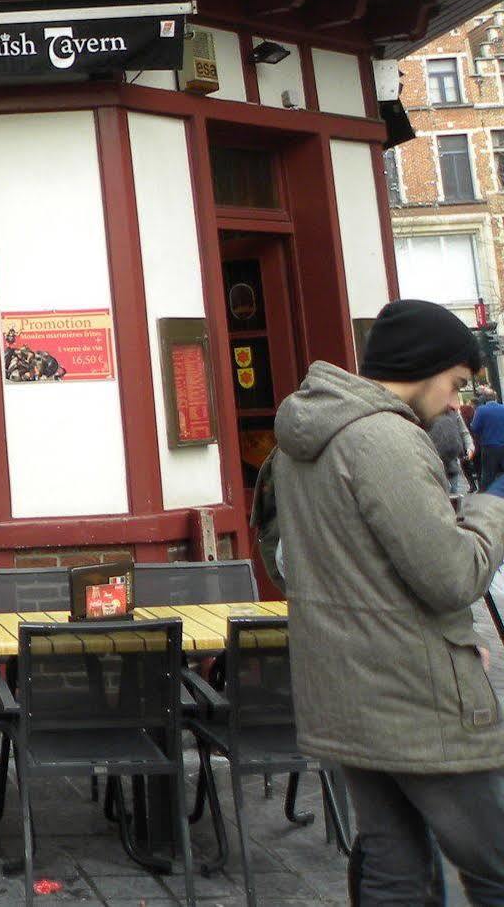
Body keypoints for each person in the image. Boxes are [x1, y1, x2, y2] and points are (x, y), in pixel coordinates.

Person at [271, 298, 504, 905]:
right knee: (494, 860)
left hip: (346, 689)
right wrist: (490, 506)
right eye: (455, 384)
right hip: (416, 694)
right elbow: (453, 576)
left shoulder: (305, 439)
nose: (457, 402)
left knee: (394, 865)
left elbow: (293, 561)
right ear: (427, 367)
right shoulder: (385, 440)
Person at [431, 398, 477, 496]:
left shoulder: (453, 412)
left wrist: (470, 447)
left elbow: (464, 432)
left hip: (452, 462)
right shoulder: (426, 413)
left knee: (453, 495)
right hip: (434, 463)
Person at [475, 386, 504, 496]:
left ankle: (486, 497)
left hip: (489, 446)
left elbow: (475, 427)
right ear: (495, 397)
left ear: (484, 398)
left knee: (488, 474)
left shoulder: (481, 410)